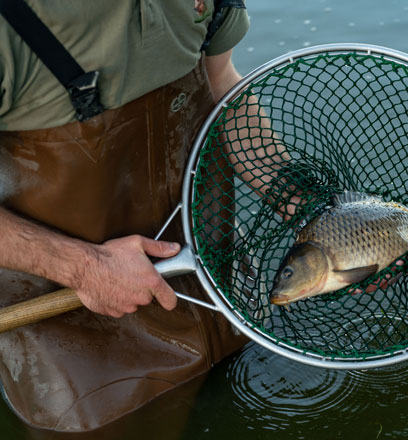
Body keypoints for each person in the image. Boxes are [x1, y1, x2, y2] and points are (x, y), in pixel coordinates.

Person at [0, 0, 255, 433]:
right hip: (79, 351)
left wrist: (299, 198)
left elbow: (221, 84)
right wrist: (86, 268)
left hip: (225, 297)